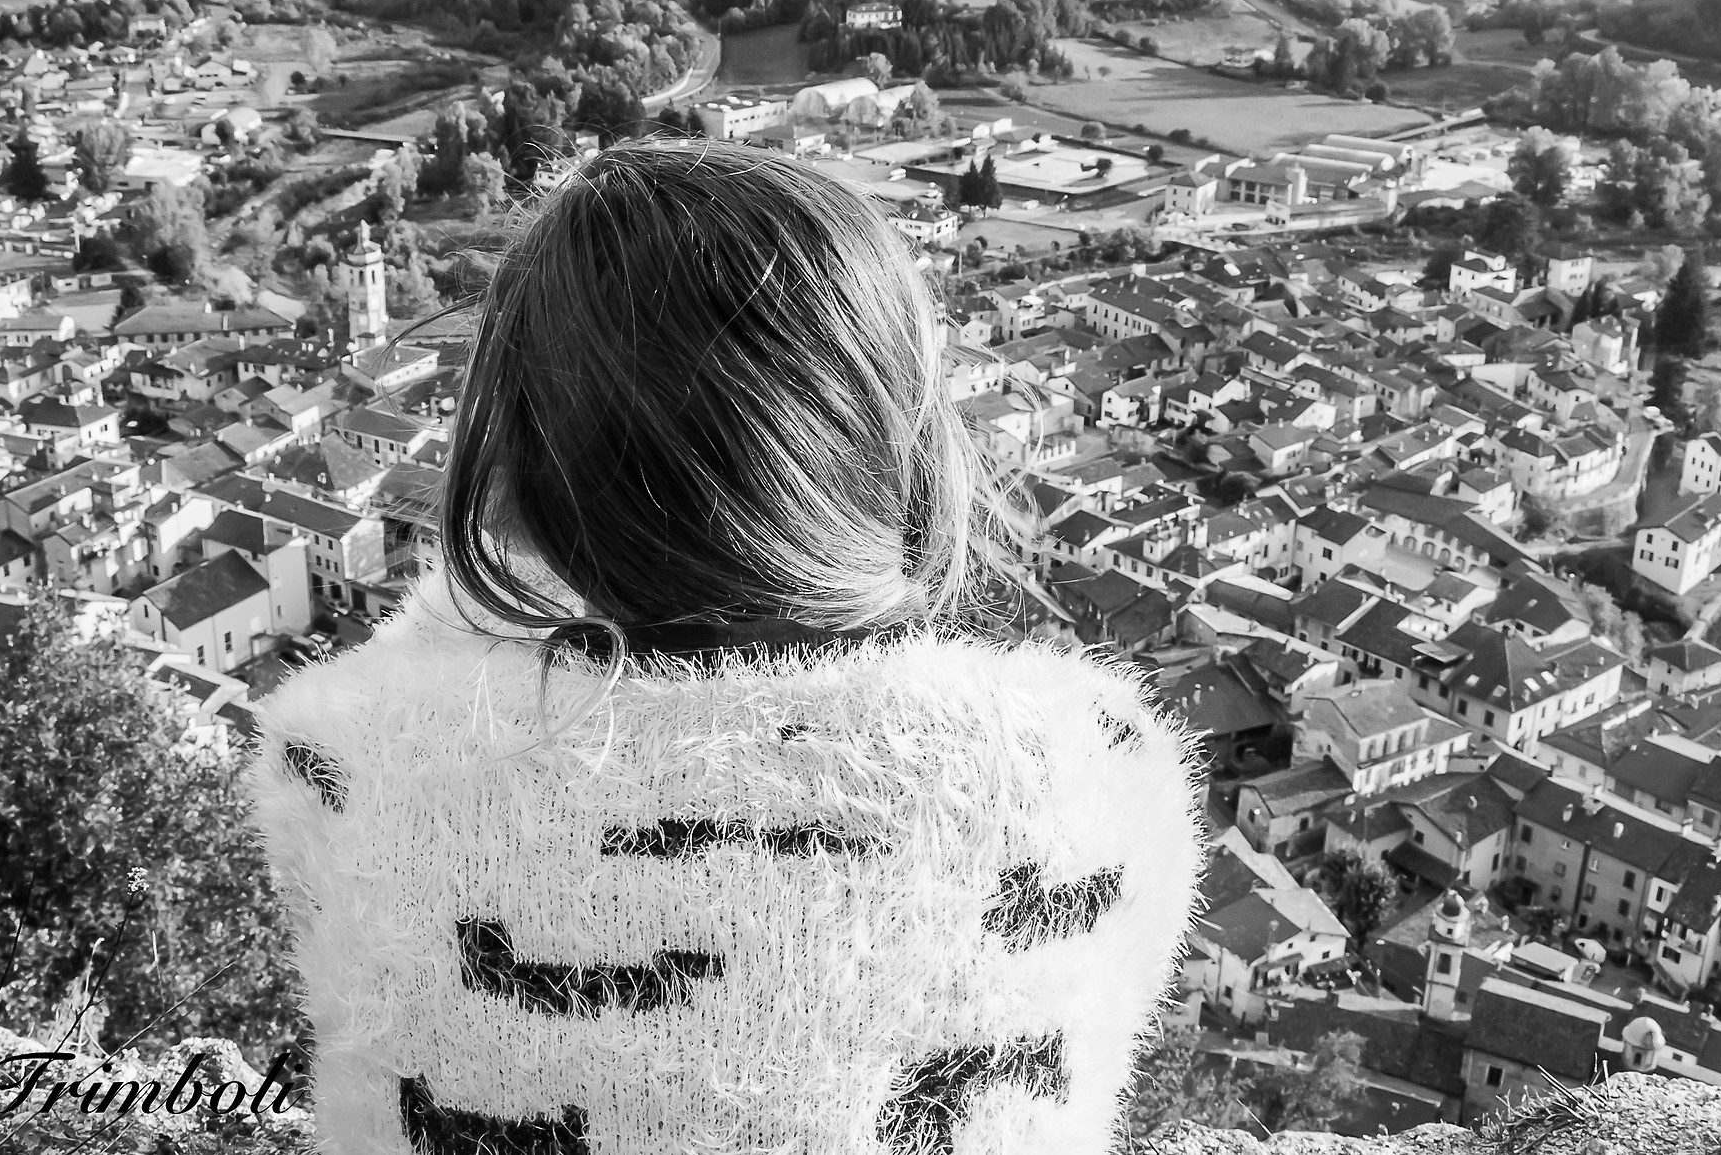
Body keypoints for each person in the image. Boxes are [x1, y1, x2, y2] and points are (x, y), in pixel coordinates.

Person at [252, 141, 1202, 1155]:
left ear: (521, 467)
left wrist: (498, 578)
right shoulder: (1096, 773)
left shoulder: (340, 764)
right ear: (900, 436)